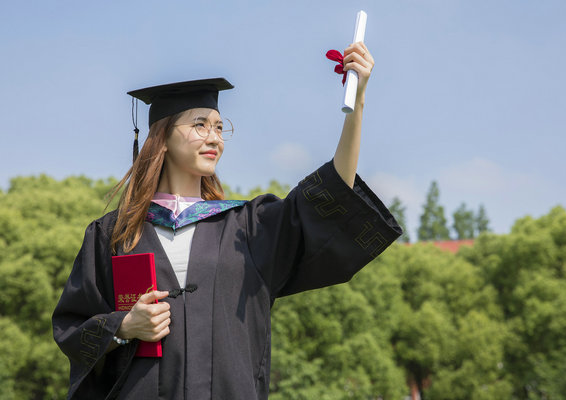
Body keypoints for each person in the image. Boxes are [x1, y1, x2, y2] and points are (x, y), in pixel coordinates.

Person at [52, 42, 402, 399]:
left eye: (219, 127)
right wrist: (124, 326)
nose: (214, 138)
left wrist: (355, 104)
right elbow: (72, 328)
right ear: (163, 138)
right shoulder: (113, 234)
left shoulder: (248, 227)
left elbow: (329, 196)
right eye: (200, 125)